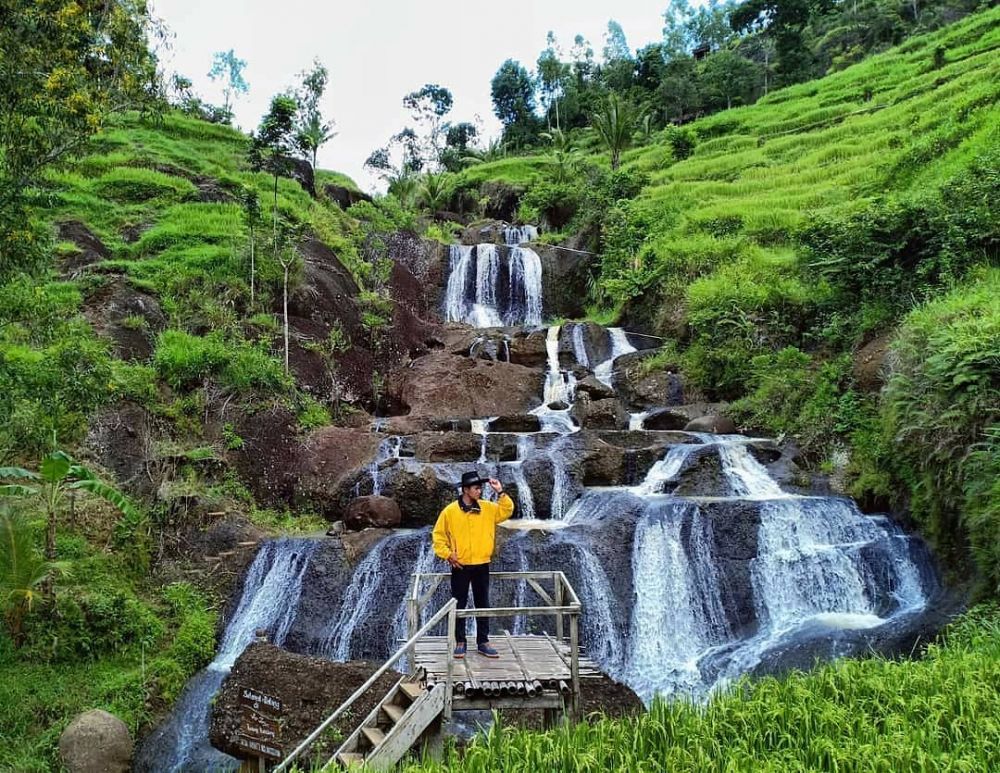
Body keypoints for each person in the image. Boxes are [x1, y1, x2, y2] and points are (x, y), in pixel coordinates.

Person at [432, 470, 514, 659]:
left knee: (482, 603)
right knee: (459, 603)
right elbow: (438, 535)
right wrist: (447, 554)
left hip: (482, 564)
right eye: (477, 488)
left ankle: (483, 642)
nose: (480, 491)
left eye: (480, 488)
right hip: (460, 565)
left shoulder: (487, 508)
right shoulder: (450, 511)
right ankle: (460, 641)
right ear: (466, 490)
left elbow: (507, 511)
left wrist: (500, 492)